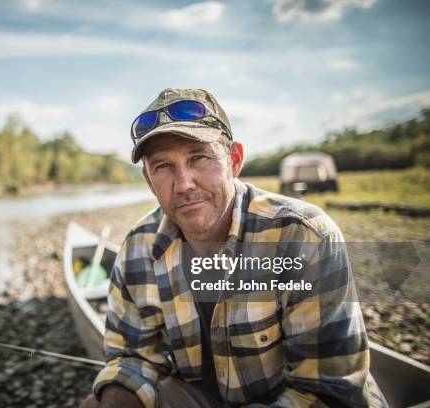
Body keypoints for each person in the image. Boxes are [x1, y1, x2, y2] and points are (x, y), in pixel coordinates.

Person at [81, 88, 385, 407]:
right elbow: (131, 357)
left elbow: (329, 392)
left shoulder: (303, 237)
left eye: (198, 157)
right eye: (163, 166)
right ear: (148, 179)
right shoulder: (136, 248)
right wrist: (117, 394)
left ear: (234, 160)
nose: (183, 182)